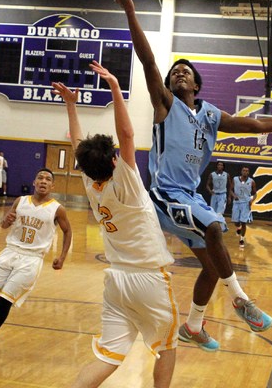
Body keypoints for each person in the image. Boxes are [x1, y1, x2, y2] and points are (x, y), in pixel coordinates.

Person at [106, 0, 272, 349]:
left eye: (186, 71)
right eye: (174, 71)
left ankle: (194, 327)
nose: (178, 73)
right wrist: (130, 10)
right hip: (164, 194)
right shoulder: (166, 104)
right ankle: (241, 300)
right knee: (216, 227)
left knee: (213, 266)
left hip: (191, 196)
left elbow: (257, 124)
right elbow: (148, 59)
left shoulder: (212, 115)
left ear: (197, 84)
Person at [54, 61, 178, 388]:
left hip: (116, 281)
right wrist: (113, 87)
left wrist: (71, 105)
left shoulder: (90, 184)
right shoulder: (126, 181)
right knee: (167, 346)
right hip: (149, 277)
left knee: (107, 355)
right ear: (114, 160)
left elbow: (77, 144)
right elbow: (126, 133)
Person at [0, 167, 72, 356]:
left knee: (4, 300)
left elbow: (68, 231)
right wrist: (5, 221)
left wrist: (62, 257)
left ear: (52, 185)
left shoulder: (57, 209)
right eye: (40, 177)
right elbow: (4, 225)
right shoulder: (20, 201)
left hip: (31, 259)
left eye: (48, 179)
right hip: (10, 251)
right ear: (34, 182)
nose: (43, 181)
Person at [230, 166, 257, 249]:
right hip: (237, 203)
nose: (245, 172)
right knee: (236, 222)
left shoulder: (251, 181)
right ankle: (238, 228)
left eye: (247, 171)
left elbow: (255, 193)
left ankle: (241, 239)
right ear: (241, 171)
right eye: (244, 170)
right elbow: (230, 190)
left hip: (246, 203)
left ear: (248, 173)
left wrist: (251, 201)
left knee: (244, 222)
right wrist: (234, 195)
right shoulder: (235, 179)